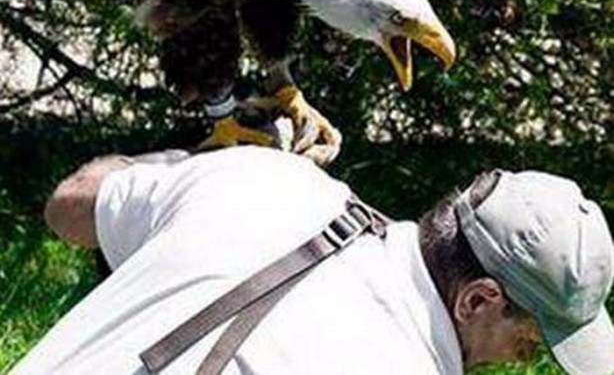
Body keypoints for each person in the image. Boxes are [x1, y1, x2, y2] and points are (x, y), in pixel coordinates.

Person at [10, 146, 614, 374]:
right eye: (531, 342)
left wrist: (193, 162)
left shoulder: (268, 175)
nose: (520, 362)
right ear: (476, 299)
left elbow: (69, 208)